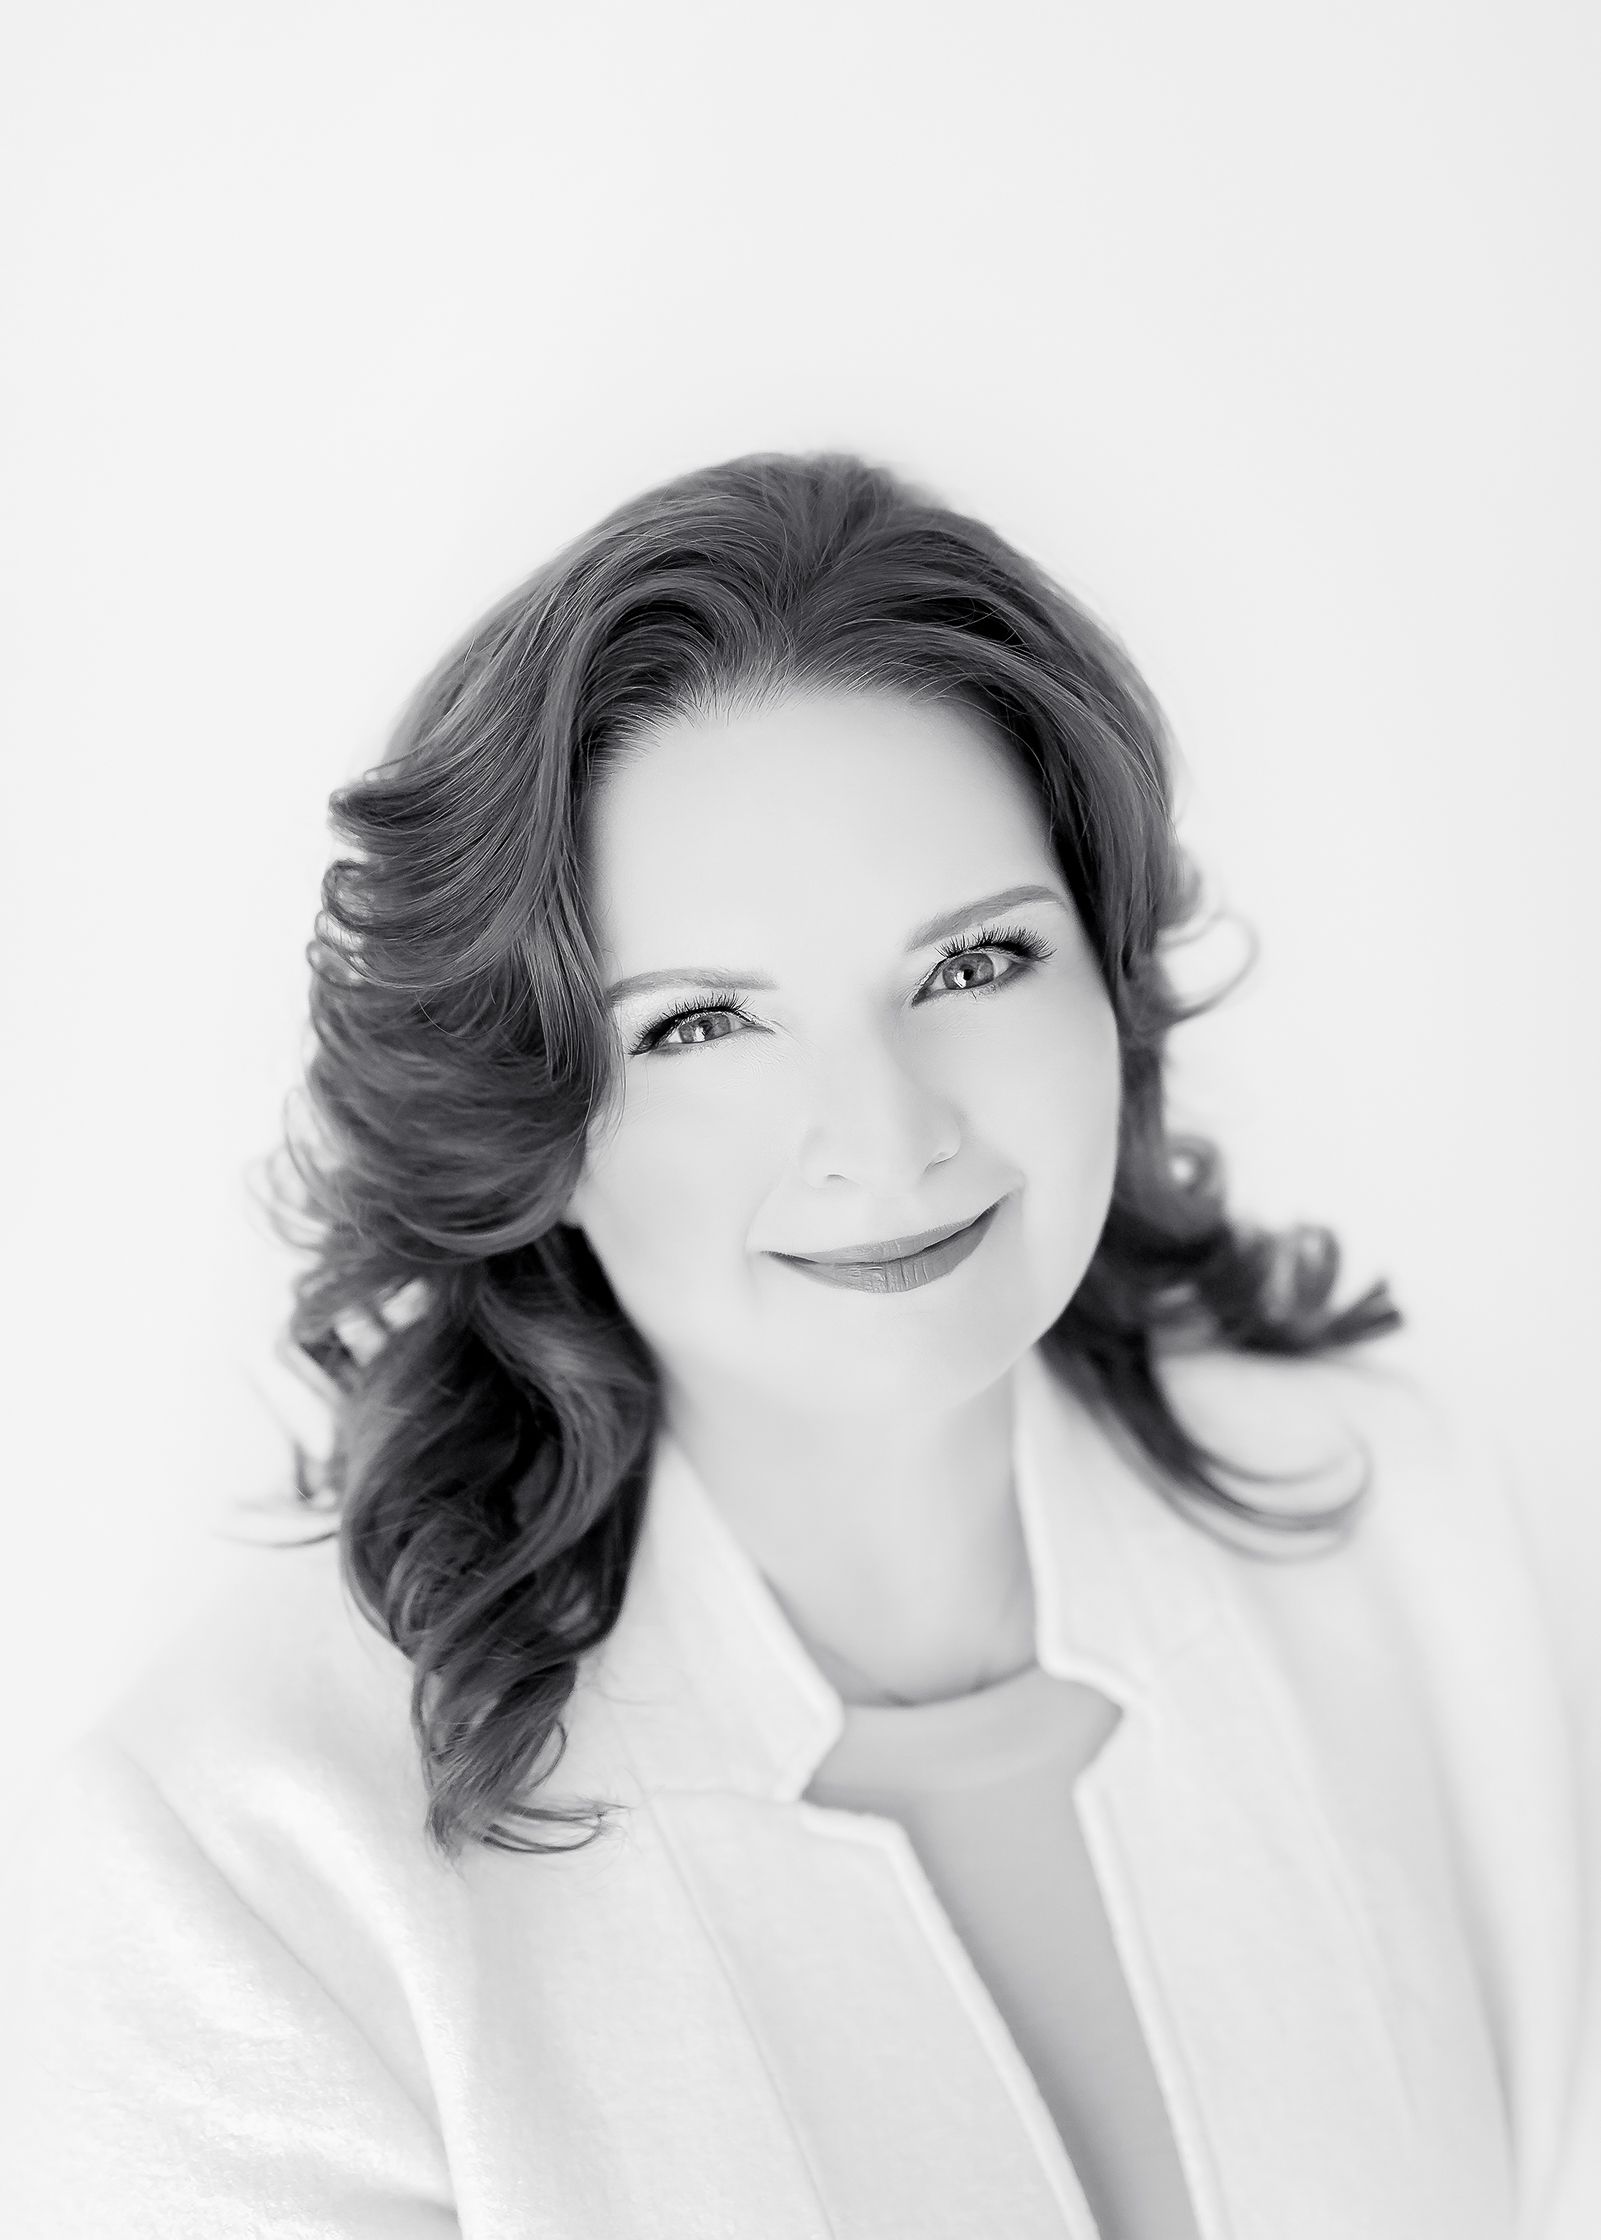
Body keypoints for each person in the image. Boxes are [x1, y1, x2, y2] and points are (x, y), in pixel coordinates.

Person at [4, 451, 1587, 2239]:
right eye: (697, 1026)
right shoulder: (237, 1868)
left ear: (1111, 979)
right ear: (532, 1115)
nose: (885, 1132)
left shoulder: (1408, 1534)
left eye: (975, 965)